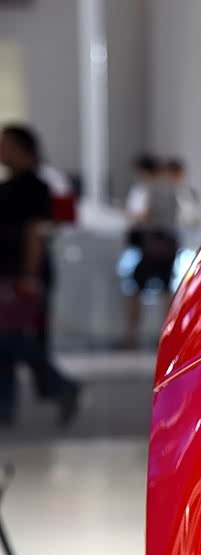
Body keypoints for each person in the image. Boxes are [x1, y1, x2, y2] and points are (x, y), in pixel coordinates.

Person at [0, 125, 79, 427]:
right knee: (8, 341)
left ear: (23, 149)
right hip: (9, 273)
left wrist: (29, 277)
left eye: (6, 144)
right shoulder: (9, 186)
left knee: (14, 339)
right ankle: (8, 406)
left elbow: (35, 232)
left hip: (23, 275)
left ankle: (59, 386)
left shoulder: (34, 187)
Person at [124, 156, 179, 348]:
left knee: (136, 287)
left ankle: (131, 336)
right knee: (166, 289)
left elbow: (146, 215)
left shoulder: (150, 189)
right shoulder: (171, 189)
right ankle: (168, 335)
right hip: (169, 242)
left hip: (152, 242)